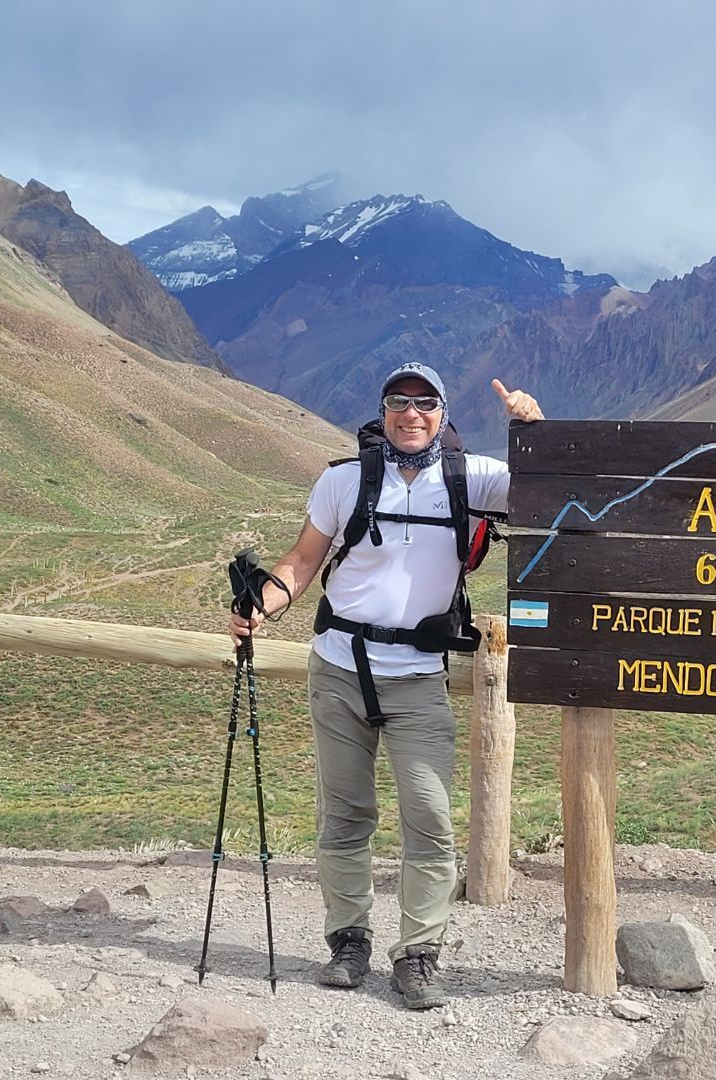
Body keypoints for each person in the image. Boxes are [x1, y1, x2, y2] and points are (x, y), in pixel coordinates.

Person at [229, 363, 543, 1009]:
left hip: (419, 676)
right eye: (399, 401)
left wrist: (533, 431)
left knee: (428, 816)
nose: (411, 413)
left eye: (425, 402)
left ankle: (419, 955)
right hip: (339, 667)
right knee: (344, 816)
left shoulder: (474, 477)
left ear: (442, 412)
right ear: (383, 410)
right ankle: (348, 943)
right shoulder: (343, 480)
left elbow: (554, 490)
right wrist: (263, 604)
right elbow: (301, 560)